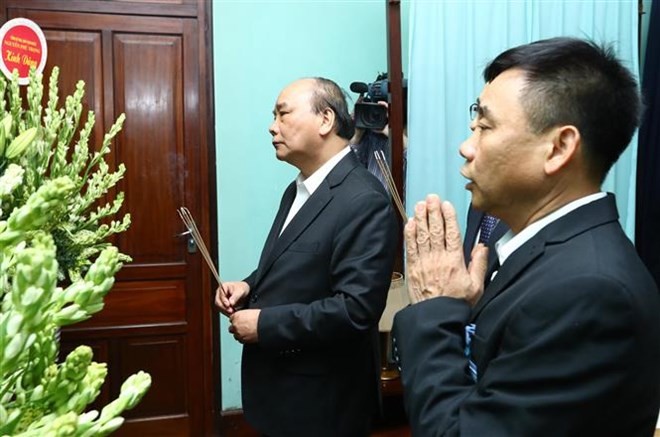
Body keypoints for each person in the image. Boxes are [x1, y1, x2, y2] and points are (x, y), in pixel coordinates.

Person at [392, 37, 660, 436]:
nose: (466, 147)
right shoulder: (536, 248)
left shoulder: (589, 291)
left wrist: (435, 306)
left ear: (559, 147)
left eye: (485, 127)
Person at [215, 77, 399, 437]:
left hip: (323, 402)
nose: (272, 126)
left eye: (283, 114)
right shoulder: (298, 188)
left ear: (326, 120)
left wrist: (264, 324)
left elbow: (354, 311)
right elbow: (295, 261)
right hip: (281, 392)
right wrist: (248, 285)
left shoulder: (364, 200)